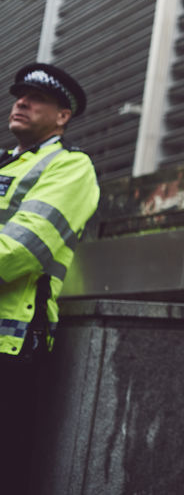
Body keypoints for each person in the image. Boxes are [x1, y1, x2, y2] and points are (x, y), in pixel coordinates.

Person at [0, 62, 98, 491]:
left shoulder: (71, 168)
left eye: (37, 97)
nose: (22, 101)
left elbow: (21, 249)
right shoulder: (5, 166)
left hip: (11, 344)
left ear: (63, 116)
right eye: (20, 94)